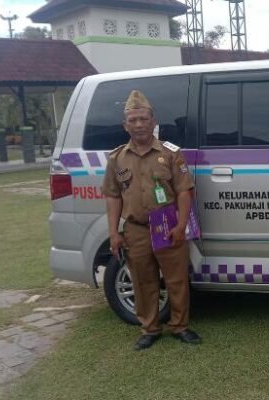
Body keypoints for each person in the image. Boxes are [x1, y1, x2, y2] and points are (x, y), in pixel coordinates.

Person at [102, 90, 201, 350]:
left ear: (153, 121)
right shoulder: (117, 158)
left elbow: (184, 191)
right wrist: (114, 233)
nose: (139, 124)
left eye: (143, 119)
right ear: (125, 125)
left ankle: (180, 326)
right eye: (133, 120)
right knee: (142, 281)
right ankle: (150, 328)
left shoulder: (170, 154)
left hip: (167, 226)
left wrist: (181, 225)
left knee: (176, 279)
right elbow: (113, 196)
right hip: (136, 230)